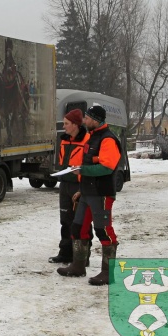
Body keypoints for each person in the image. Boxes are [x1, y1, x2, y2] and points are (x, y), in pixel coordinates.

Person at [57, 105, 121, 285]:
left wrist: (83, 170)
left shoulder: (108, 139)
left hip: (101, 193)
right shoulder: (93, 138)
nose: (84, 121)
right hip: (86, 191)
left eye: (87, 118)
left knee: (104, 230)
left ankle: (108, 272)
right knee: (78, 228)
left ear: (95, 119)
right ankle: (78, 265)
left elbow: (107, 167)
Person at [49, 109, 93, 264]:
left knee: (81, 222)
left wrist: (83, 185)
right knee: (65, 221)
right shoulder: (64, 139)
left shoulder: (88, 140)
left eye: (66, 123)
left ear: (75, 125)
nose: (64, 126)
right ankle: (65, 252)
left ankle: (82, 255)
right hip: (65, 184)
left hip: (80, 185)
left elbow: (90, 164)